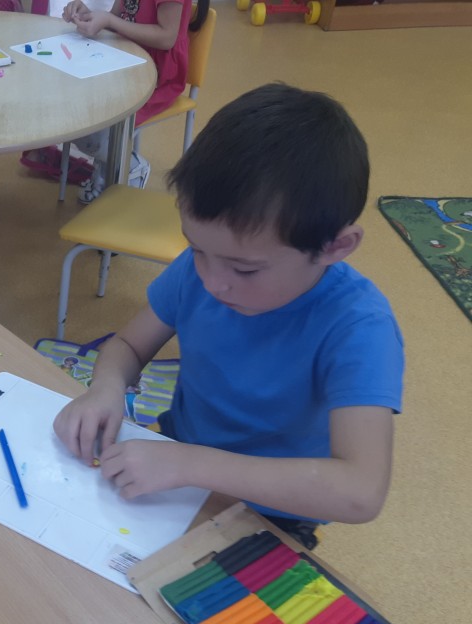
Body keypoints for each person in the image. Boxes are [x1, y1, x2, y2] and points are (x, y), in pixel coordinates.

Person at [53, 83, 404, 547]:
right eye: (196, 249)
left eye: (245, 269)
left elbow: (361, 491)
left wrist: (193, 464)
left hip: (271, 513)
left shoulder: (359, 328)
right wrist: (105, 389)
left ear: (334, 246)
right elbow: (129, 346)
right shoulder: (201, 270)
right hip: (173, 465)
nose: (213, 282)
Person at [63, 0, 208, 204]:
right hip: (124, 61)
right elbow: (117, 18)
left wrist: (109, 20)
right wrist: (89, 16)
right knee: (75, 111)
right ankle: (110, 165)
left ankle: (130, 166)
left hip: (157, 77)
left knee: (95, 127)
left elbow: (167, 37)